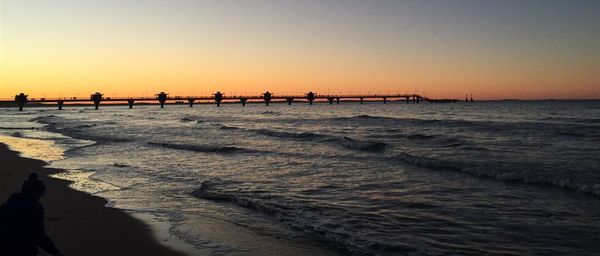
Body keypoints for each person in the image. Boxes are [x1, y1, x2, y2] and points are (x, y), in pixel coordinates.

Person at [0, 172, 63, 256]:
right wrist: (55, 251)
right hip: (21, 249)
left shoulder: (11, 201)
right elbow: (39, 235)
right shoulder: (35, 209)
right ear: (37, 193)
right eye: (41, 193)